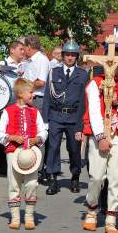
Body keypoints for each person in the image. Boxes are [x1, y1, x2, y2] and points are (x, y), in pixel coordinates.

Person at [82, 58, 118, 233]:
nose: (116, 68)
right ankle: (91, 209)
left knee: (115, 178)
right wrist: (100, 137)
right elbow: (94, 111)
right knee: (97, 176)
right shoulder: (94, 83)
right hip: (99, 137)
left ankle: (111, 218)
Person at [0, 78, 48, 230]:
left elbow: (43, 130)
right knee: (14, 184)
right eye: (30, 92)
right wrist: (11, 137)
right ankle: (15, 217)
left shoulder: (35, 111)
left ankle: (29, 216)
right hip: (13, 152)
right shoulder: (8, 111)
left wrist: (38, 138)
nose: (33, 95)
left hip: (31, 153)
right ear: (20, 94)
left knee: (32, 183)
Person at [42, 38, 88, 195]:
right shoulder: (54, 72)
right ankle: (53, 178)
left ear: (77, 57)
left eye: (73, 55)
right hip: (56, 115)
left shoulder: (82, 75)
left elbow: (84, 101)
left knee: (74, 149)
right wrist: (45, 120)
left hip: (74, 117)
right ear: (62, 56)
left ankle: (75, 176)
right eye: (67, 54)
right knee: (53, 148)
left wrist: (82, 125)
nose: (69, 58)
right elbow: (48, 96)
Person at [22, 35, 50, 113]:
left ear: (29, 47)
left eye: (24, 46)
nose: (23, 49)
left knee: (36, 125)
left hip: (37, 100)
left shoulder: (41, 59)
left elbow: (41, 82)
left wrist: (23, 86)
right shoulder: (31, 60)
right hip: (31, 99)